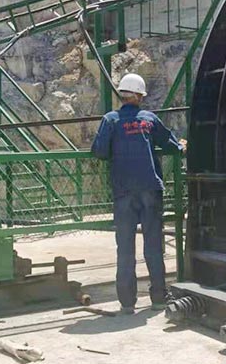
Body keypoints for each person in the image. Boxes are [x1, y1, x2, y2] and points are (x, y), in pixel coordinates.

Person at [91, 73, 186, 314]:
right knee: (153, 246)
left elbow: (99, 152)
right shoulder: (148, 119)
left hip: (123, 191)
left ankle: (127, 303)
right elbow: (170, 144)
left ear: (122, 95)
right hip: (150, 189)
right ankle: (158, 298)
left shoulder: (110, 120)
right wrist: (180, 147)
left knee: (125, 249)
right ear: (140, 96)